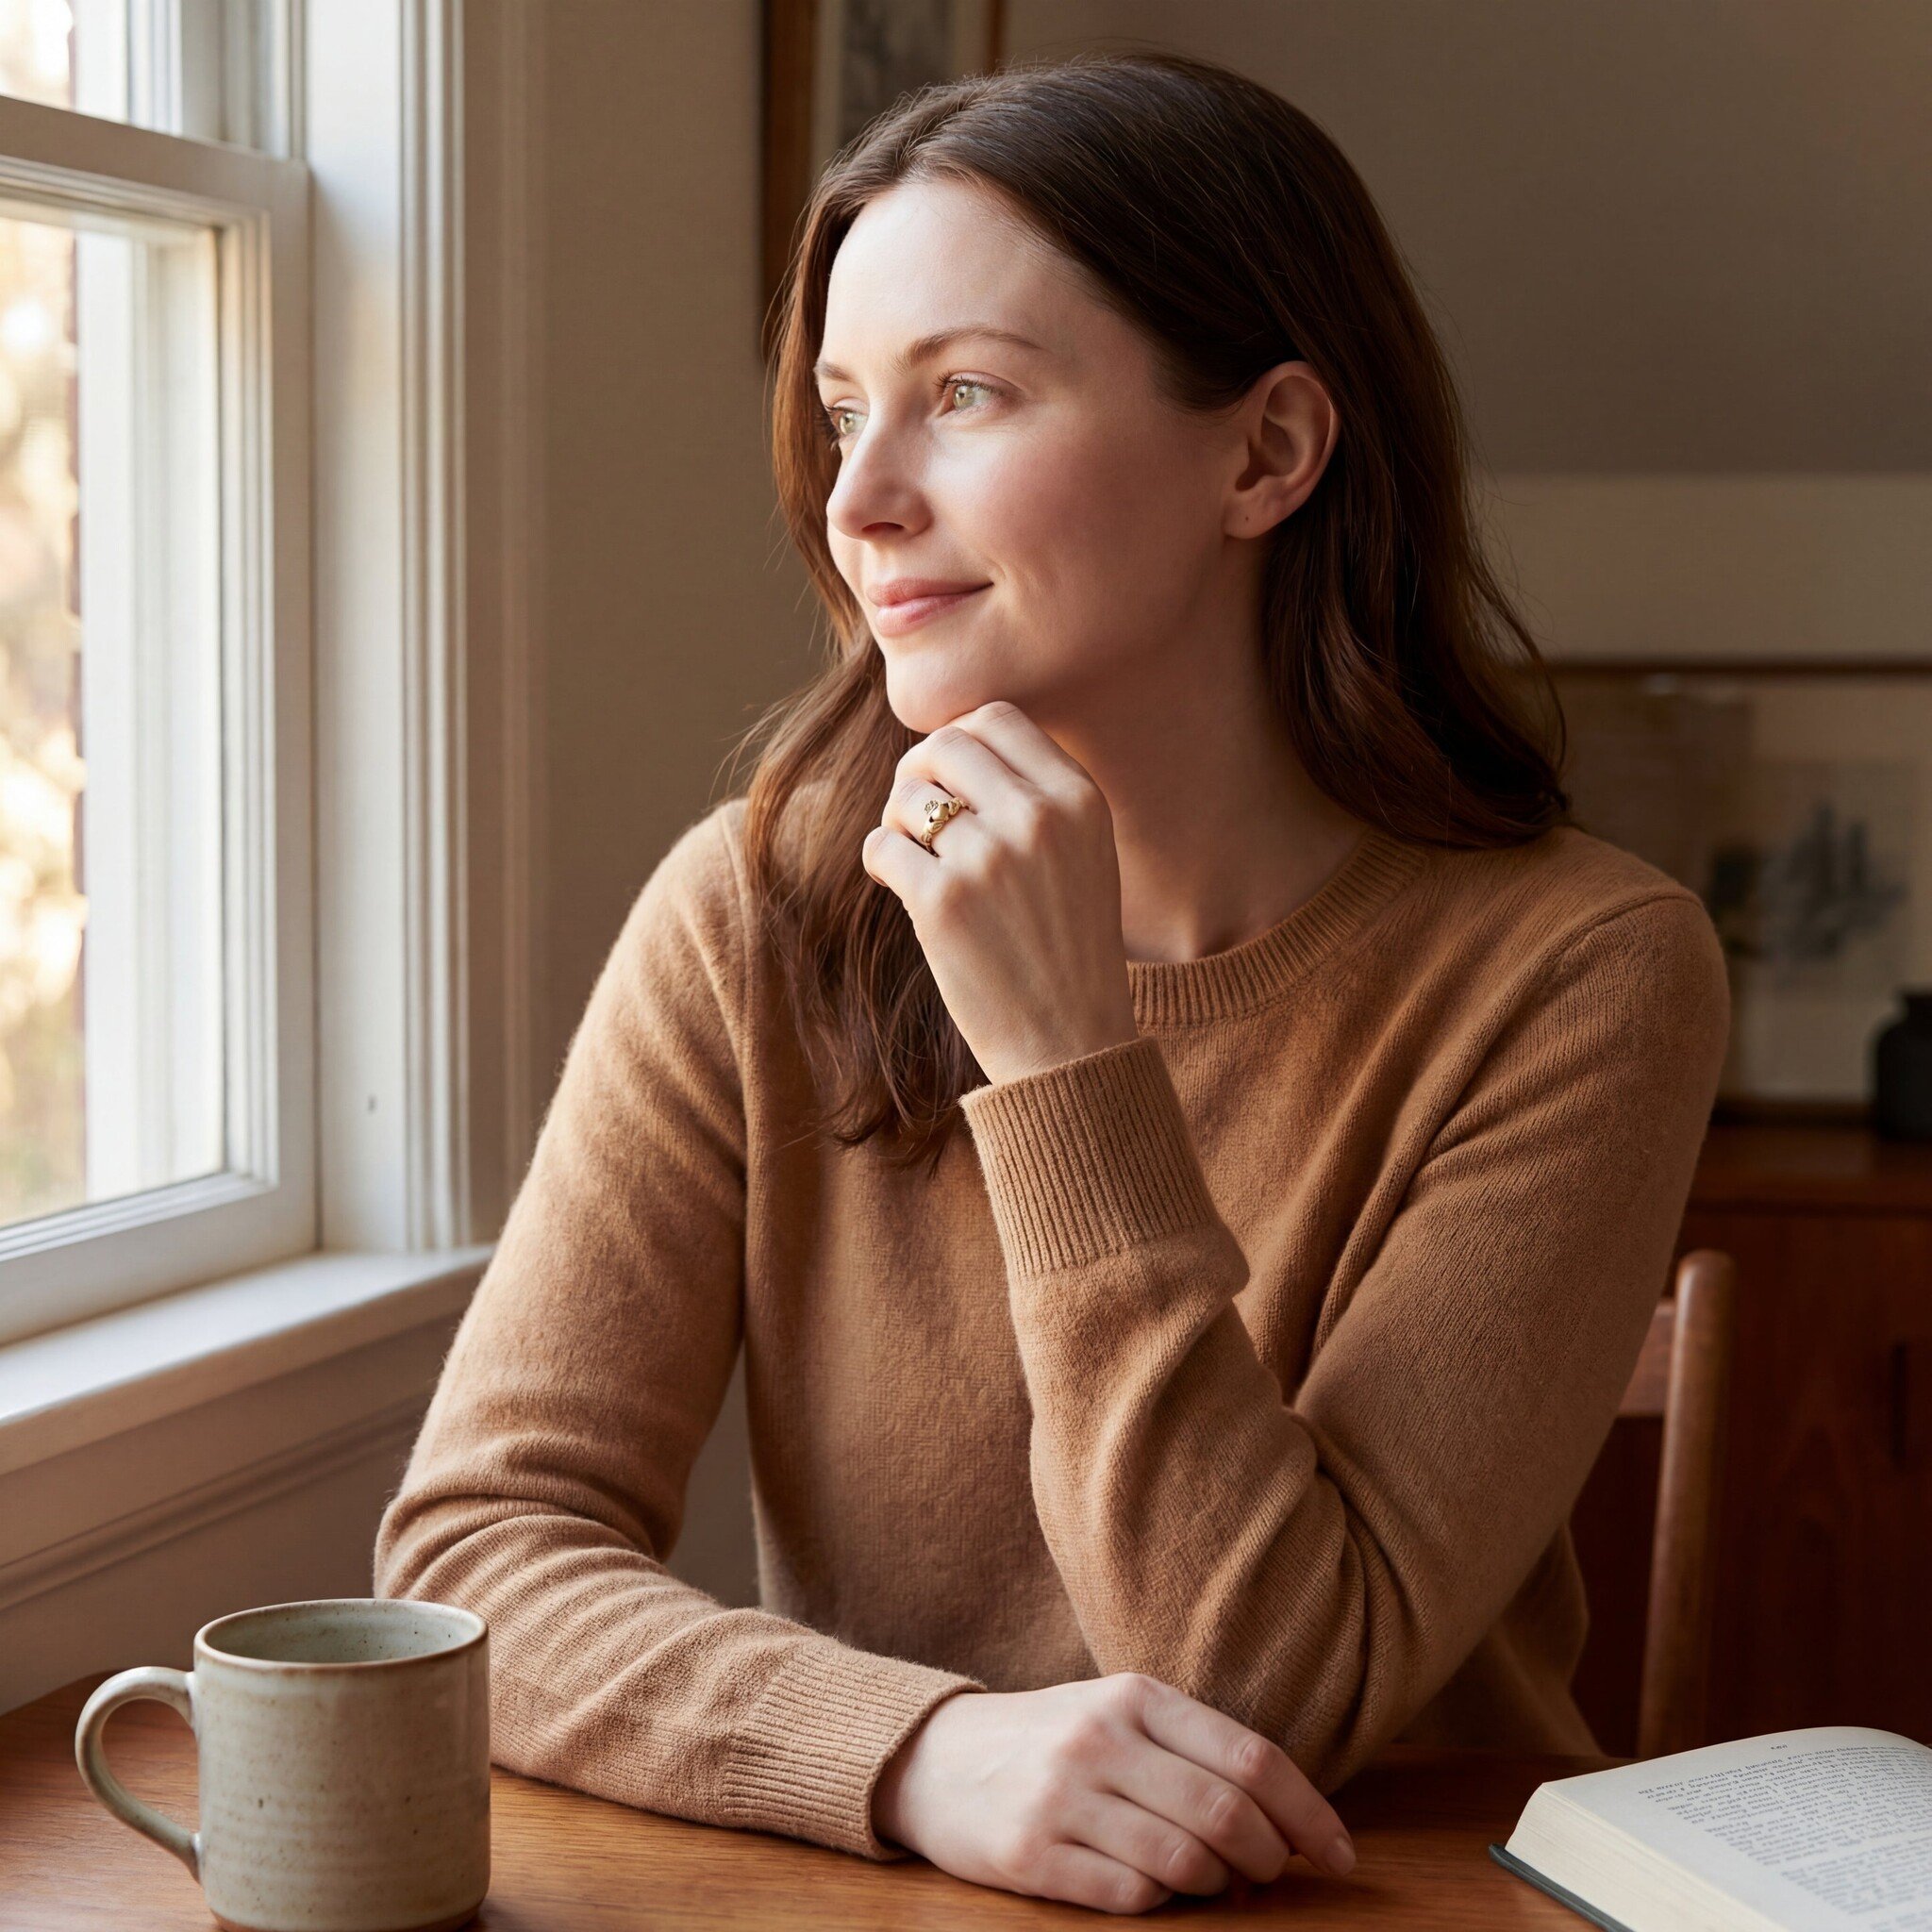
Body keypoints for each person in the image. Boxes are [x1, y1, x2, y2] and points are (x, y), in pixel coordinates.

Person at [373, 49, 1731, 1918]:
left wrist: (1061, 1054)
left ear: (1265, 451)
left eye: (967, 396)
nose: (859, 498)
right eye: (845, 409)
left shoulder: (1583, 970)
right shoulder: (752, 913)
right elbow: (466, 1561)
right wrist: (915, 1751)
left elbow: (1258, 1688)